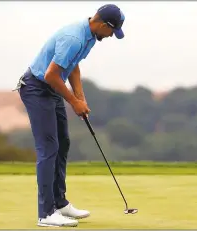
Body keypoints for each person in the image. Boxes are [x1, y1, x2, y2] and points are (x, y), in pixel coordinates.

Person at [13, 4, 125, 227]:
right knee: (48, 148)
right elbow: (52, 74)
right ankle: (45, 214)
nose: (111, 36)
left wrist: (80, 98)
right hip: (37, 88)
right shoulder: (74, 37)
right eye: (112, 31)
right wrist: (73, 102)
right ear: (103, 25)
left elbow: (73, 67)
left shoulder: (91, 36)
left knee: (62, 143)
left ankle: (59, 202)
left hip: (51, 88)